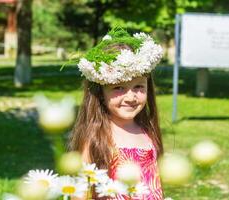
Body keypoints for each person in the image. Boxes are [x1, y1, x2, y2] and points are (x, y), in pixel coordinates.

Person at [69, 28, 164, 199]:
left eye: (139, 87)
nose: (131, 97)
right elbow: (81, 192)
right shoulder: (96, 137)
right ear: (101, 92)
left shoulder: (148, 132)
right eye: (118, 88)